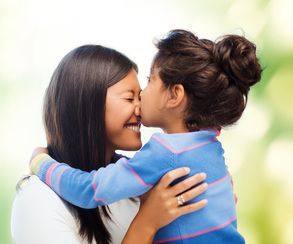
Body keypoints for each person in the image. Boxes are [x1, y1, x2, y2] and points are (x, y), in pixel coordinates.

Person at [30, 29, 262, 243]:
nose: (140, 100)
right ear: (87, 105)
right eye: (129, 98)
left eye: (150, 81)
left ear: (175, 95)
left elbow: (90, 189)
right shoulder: (209, 144)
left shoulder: (165, 151)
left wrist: (42, 164)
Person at [11, 44, 208, 244]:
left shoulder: (137, 189)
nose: (141, 109)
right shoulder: (37, 200)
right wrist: (147, 223)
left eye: (140, 97)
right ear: (88, 105)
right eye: (129, 98)